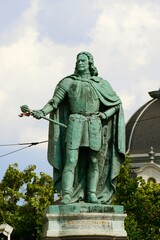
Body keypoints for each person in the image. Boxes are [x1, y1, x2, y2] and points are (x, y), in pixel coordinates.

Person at [21, 51, 125, 205]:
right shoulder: (68, 82)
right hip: (75, 122)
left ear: (90, 63)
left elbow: (116, 104)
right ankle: (68, 194)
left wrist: (104, 115)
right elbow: (54, 102)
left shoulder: (101, 83)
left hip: (93, 123)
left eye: (83, 60)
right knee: (71, 159)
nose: (79, 63)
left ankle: (91, 194)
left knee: (93, 160)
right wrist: (42, 111)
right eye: (78, 61)